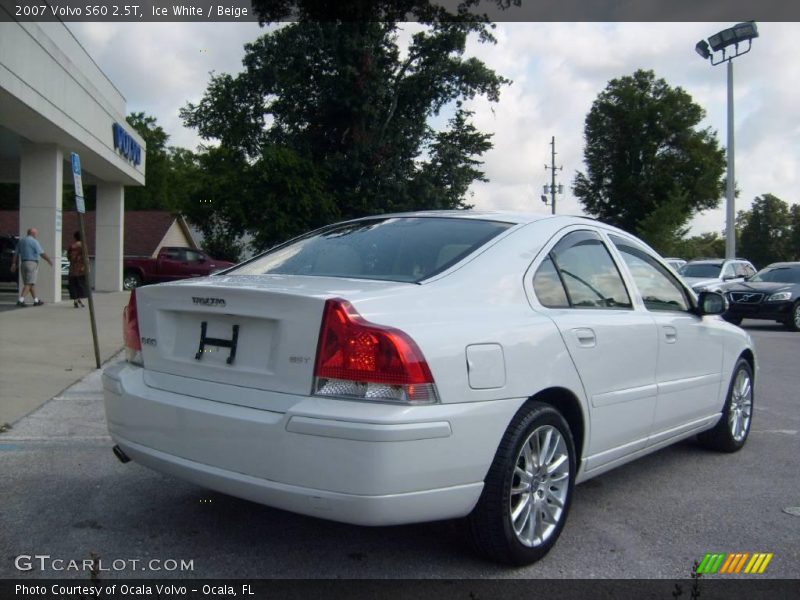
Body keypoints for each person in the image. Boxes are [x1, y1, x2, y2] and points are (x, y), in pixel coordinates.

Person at [10, 227, 53, 307]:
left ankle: (36, 300)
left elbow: (15, 253)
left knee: (30, 283)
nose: (36, 234)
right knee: (29, 283)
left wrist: (13, 263)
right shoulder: (34, 241)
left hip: (23, 264)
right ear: (32, 233)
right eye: (36, 233)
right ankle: (21, 300)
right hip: (32, 263)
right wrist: (49, 260)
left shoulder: (21, 241)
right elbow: (41, 253)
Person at [67, 230, 88, 308]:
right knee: (80, 285)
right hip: (80, 269)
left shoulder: (71, 246)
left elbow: (68, 257)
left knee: (73, 285)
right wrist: (85, 267)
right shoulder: (83, 246)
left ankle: (76, 300)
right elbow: (85, 257)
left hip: (72, 269)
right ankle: (79, 299)